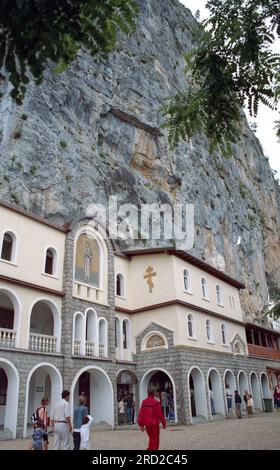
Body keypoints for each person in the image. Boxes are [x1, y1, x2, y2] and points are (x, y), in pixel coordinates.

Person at [138, 384, 166, 450]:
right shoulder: (156, 402)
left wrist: (141, 425)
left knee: (151, 439)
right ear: (154, 393)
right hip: (154, 425)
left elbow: (141, 414)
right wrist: (164, 423)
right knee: (155, 441)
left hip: (147, 425)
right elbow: (160, 415)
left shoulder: (144, 402)